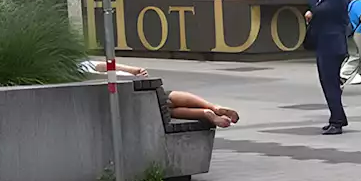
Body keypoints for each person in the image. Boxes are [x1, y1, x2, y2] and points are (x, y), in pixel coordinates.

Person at [79, 60, 240, 128]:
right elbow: (103, 65)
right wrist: (132, 70)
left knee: (166, 109)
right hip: (139, 87)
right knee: (167, 99)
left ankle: (205, 113)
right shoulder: (80, 64)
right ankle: (213, 107)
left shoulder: (72, 70)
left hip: (128, 95)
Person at [305, 0, 349, 134]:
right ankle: (337, 117)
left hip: (331, 46)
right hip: (327, 44)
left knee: (330, 84)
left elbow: (318, 10)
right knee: (328, 83)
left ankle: (337, 121)